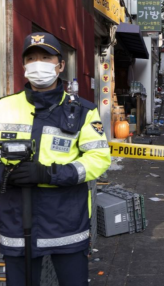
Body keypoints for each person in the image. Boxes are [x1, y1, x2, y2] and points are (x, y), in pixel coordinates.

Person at [0, 32, 111, 285]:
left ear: (60, 65)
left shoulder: (83, 111)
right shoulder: (3, 107)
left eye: (46, 57)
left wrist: (50, 174)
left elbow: (98, 158)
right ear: (24, 66)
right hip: (16, 219)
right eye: (31, 58)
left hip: (66, 222)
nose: (38, 64)